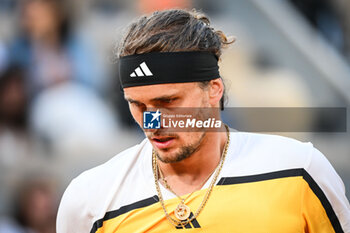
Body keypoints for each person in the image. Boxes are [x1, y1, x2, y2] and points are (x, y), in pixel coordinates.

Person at [57, 9, 350, 232]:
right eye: (138, 105)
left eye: (168, 102)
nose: (153, 122)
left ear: (214, 90)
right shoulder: (90, 200)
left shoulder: (300, 171)